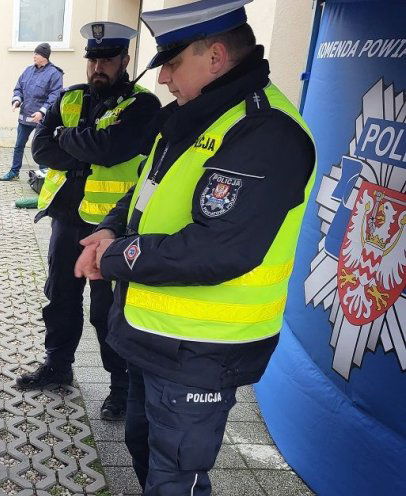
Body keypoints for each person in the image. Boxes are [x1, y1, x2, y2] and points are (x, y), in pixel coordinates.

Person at [74, 1, 316, 493]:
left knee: (177, 474)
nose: (162, 79)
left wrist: (114, 256)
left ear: (216, 57)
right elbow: (148, 189)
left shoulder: (265, 132)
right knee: (145, 449)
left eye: (171, 63)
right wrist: (110, 228)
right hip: (154, 332)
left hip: (202, 349)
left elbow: (218, 248)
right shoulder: (193, 114)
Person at [18, 22, 160, 424]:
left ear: (124, 61)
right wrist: (80, 144)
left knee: (106, 310)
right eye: (93, 59)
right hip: (66, 218)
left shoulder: (143, 105)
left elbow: (112, 149)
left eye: (107, 60)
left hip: (110, 225)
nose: (98, 66)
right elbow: (42, 150)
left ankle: (120, 387)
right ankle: (58, 365)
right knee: (60, 295)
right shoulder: (71, 97)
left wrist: (70, 138)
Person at [1, 42, 63, 181]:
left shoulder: (54, 73)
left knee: (41, 146)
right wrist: (16, 100)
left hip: (42, 119)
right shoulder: (28, 71)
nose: (34, 56)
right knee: (19, 145)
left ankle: (43, 174)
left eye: (37, 54)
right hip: (25, 117)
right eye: (34, 53)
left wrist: (42, 112)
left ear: (44, 56)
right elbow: (19, 88)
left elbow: (55, 95)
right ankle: (14, 171)